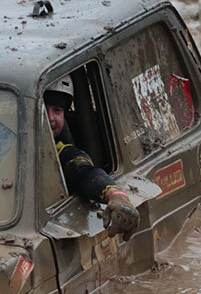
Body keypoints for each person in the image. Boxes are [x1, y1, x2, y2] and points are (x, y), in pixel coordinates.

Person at [45, 75, 140, 239]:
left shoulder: (62, 153)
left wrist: (115, 195)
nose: (50, 118)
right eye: (43, 110)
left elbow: (84, 171)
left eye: (57, 110)